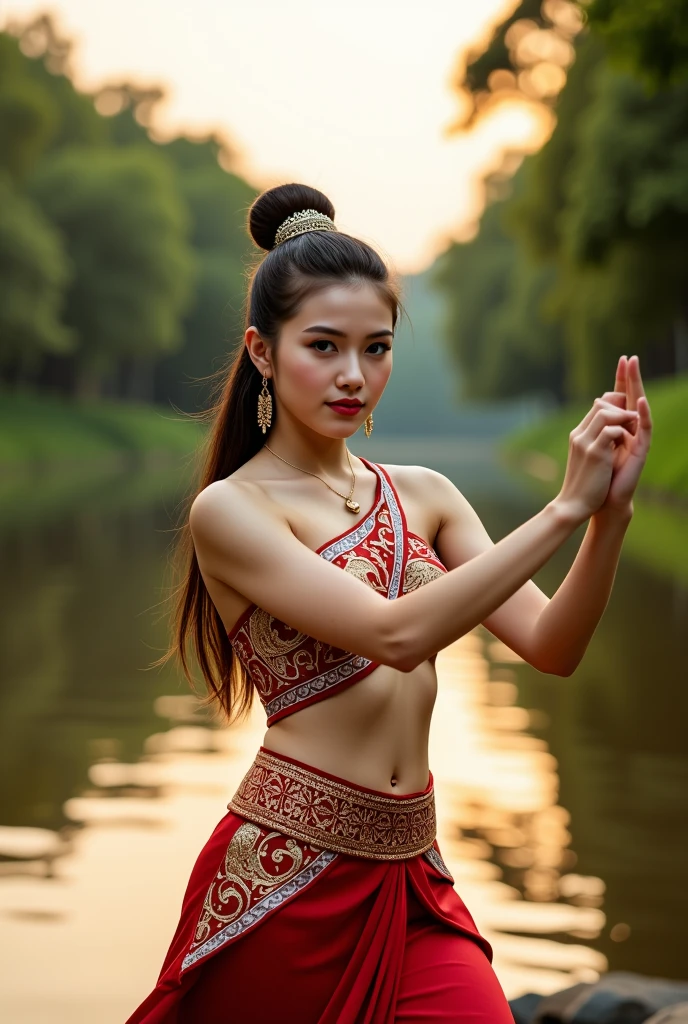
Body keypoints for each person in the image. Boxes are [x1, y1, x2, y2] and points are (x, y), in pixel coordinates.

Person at [125, 183, 652, 1024]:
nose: (352, 375)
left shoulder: (426, 496)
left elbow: (553, 644)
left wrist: (610, 516)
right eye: (324, 346)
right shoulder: (234, 510)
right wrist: (562, 507)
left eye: (376, 348)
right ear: (263, 352)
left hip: (413, 878)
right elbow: (394, 634)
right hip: (289, 880)